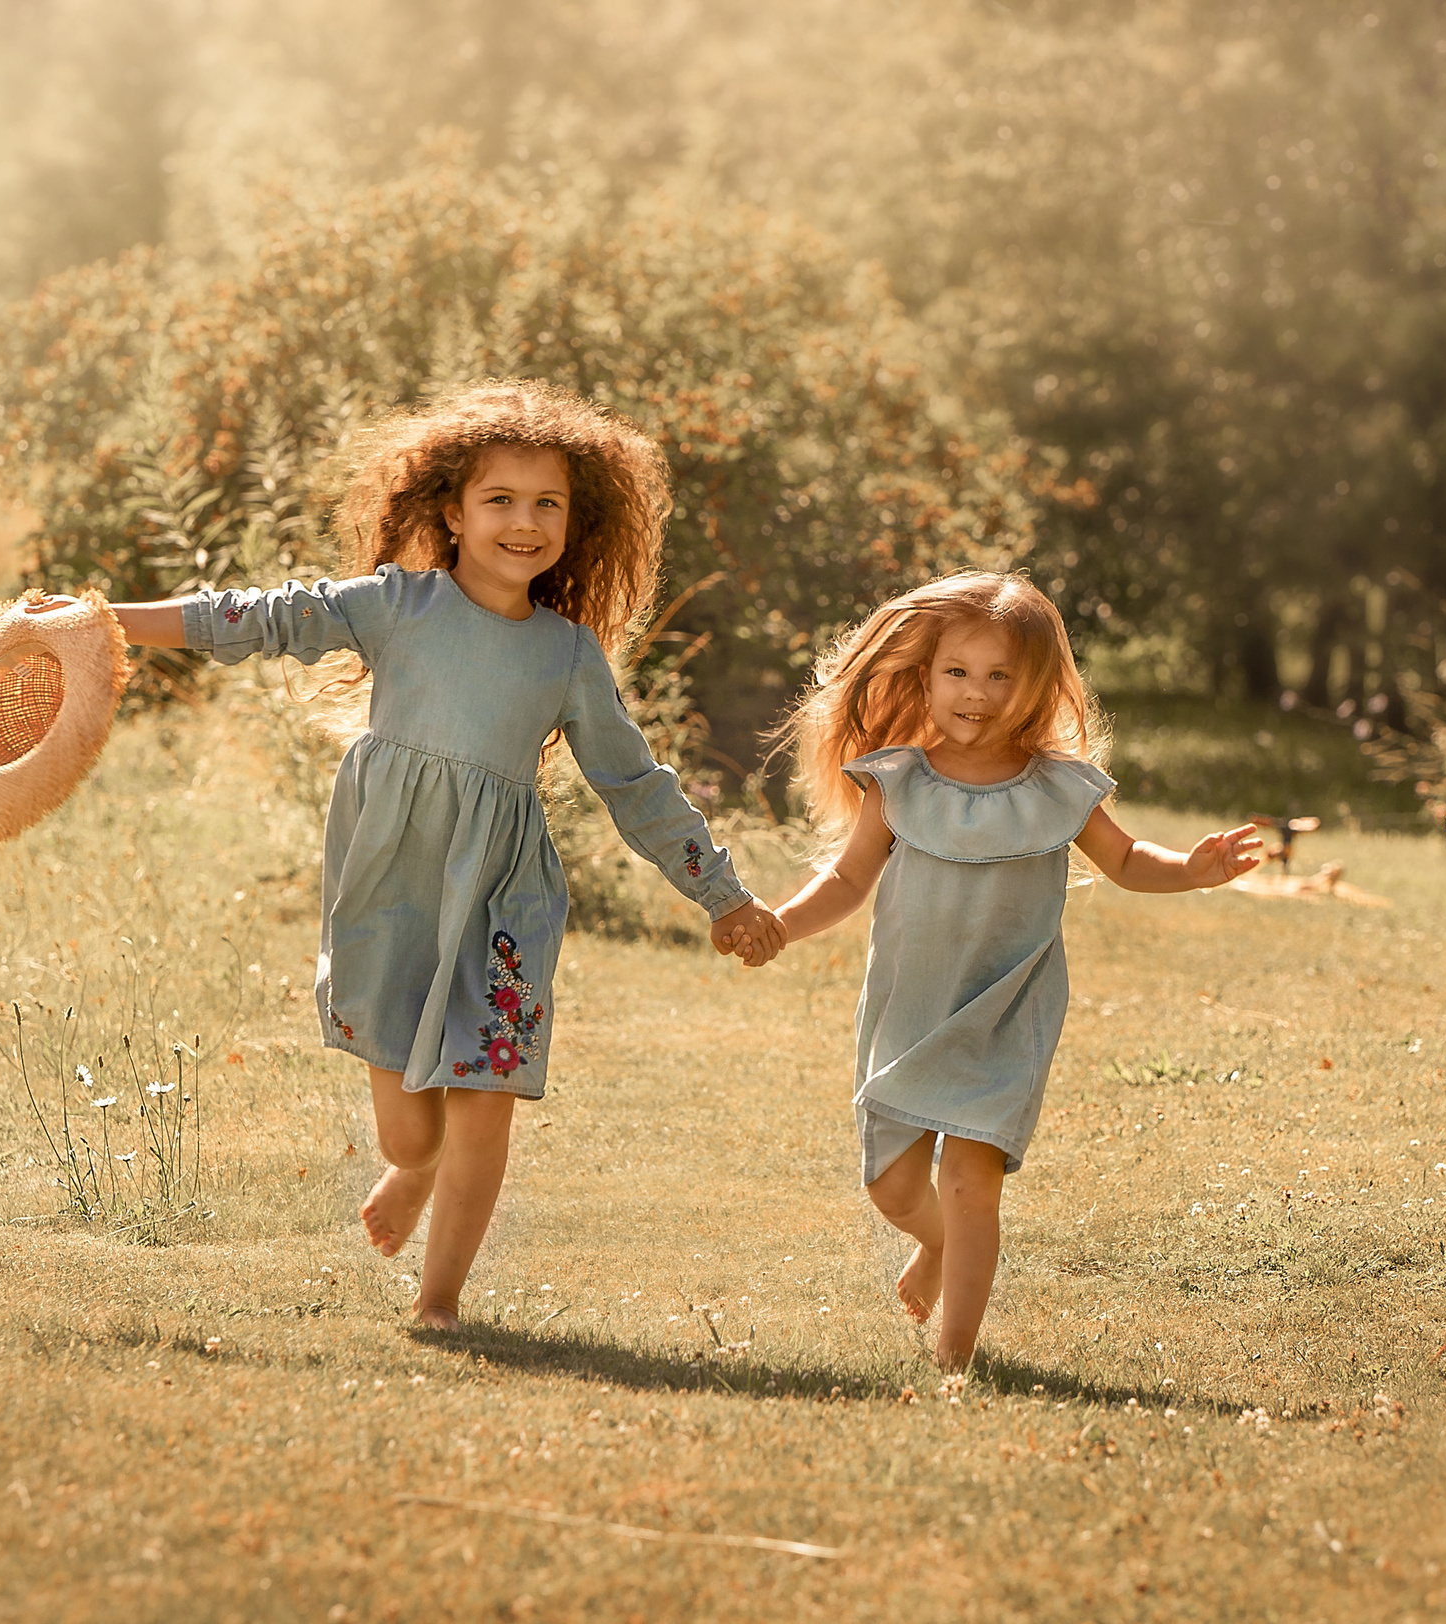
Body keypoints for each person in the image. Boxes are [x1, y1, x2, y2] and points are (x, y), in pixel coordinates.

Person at [87, 380, 784, 1327]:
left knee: (483, 1101)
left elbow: (636, 785)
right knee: (412, 1131)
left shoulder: (568, 655)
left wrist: (724, 895)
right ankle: (411, 1172)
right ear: (452, 513)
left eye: (549, 504)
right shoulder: (396, 606)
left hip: (505, 897)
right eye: (500, 499)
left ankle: (439, 1301)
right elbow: (263, 615)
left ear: (576, 525)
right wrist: (105, 619)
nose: (525, 522)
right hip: (391, 882)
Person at [768, 572, 1260, 1372]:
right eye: (958, 672)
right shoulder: (895, 782)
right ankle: (936, 1245)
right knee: (893, 1188)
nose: (977, 693)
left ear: (1035, 684)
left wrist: (1192, 868)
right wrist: (782, 922)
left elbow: (1129, 860)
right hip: (912, 1009)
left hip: (1007, 1010)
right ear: (924, 677)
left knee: (972, 1182)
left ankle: (953, 1359)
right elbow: (849, 880)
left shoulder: (1058, 788)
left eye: (1002, 676)